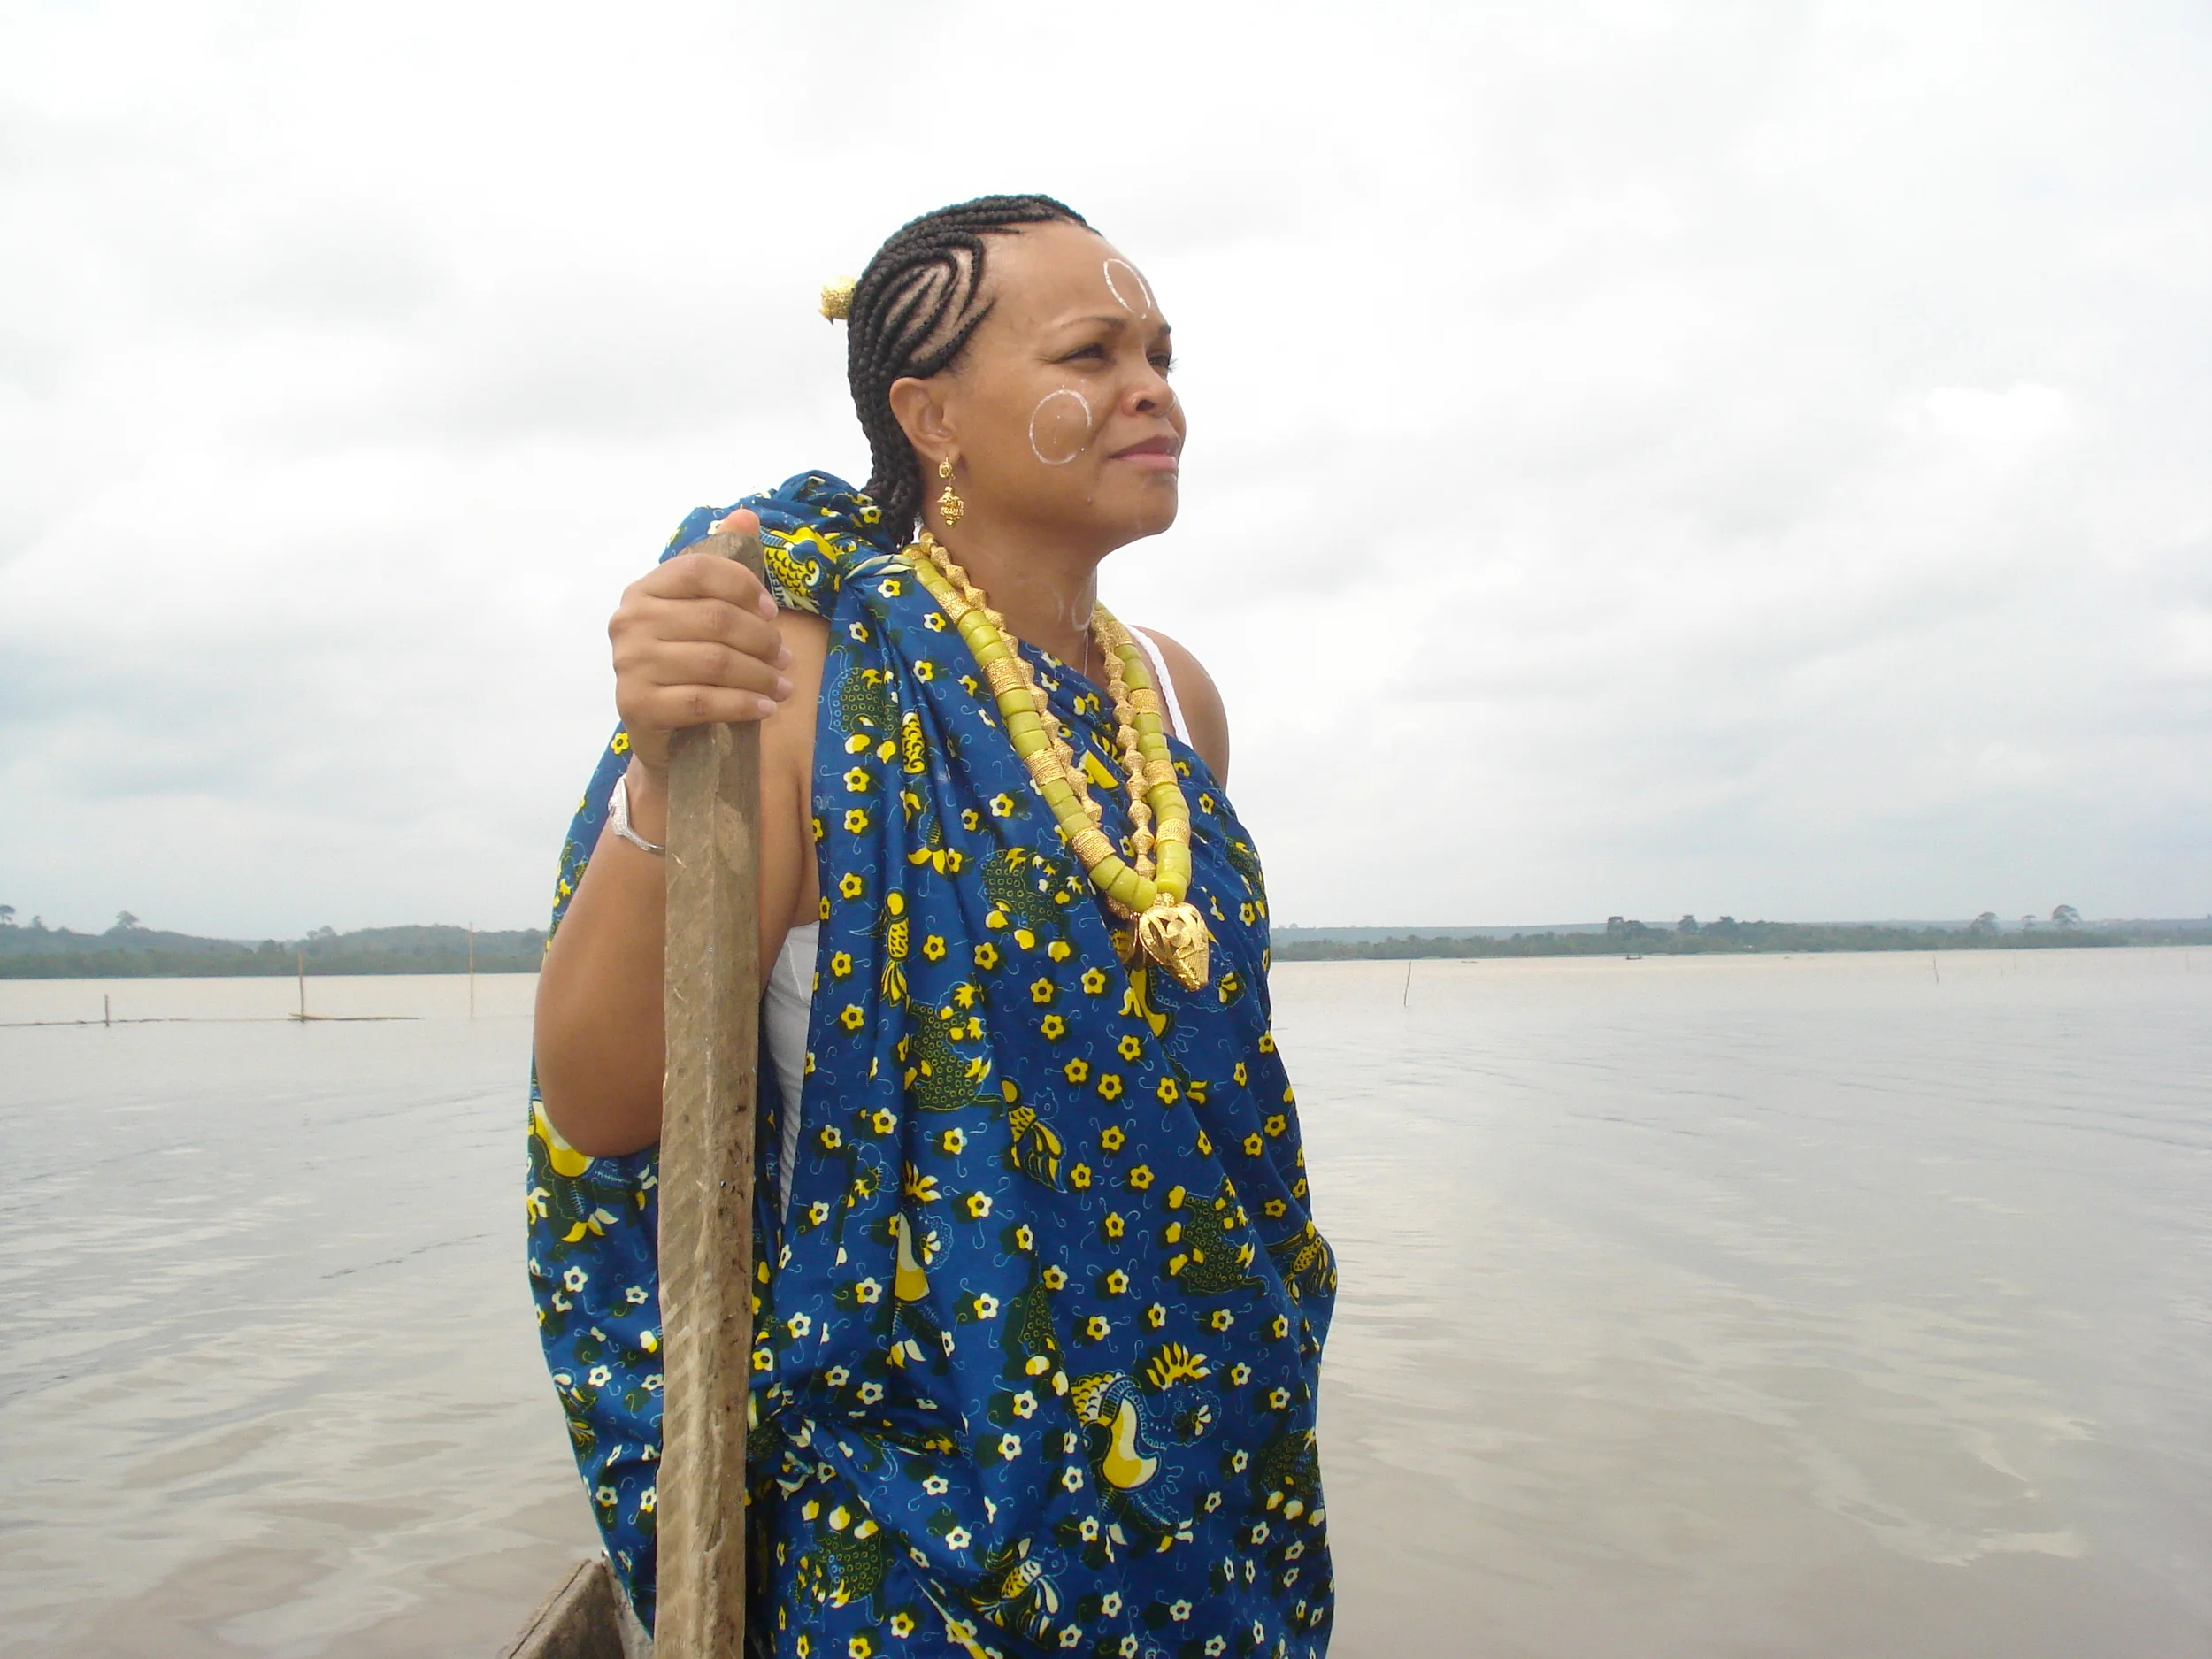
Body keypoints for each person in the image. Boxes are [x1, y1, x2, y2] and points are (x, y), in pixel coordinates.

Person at [526, 195, 1336, 1659]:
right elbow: (600, 1102)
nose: (1152, 391)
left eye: (1160, 353)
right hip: (920, 1529)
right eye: (1091, 353)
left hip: (1213, 1482)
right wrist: (661, 771)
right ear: (930, 416)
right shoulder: (795, 685)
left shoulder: (1171, 697)